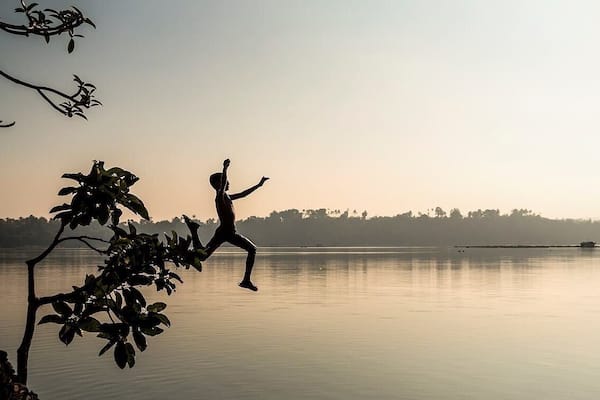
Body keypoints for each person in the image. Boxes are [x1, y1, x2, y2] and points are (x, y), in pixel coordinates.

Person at [184, 159, 268, 291]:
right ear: (219, 183)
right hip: (227, 232)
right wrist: (225, 169)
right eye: (225, 181)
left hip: (225, 232)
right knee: (252, 249)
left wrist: (258, 185)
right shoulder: (220, 195)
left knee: (203, 256)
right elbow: (223, 186)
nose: (228, 183)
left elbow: (243, 194)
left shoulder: (226, 197)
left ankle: (194, 231)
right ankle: (246, 280)